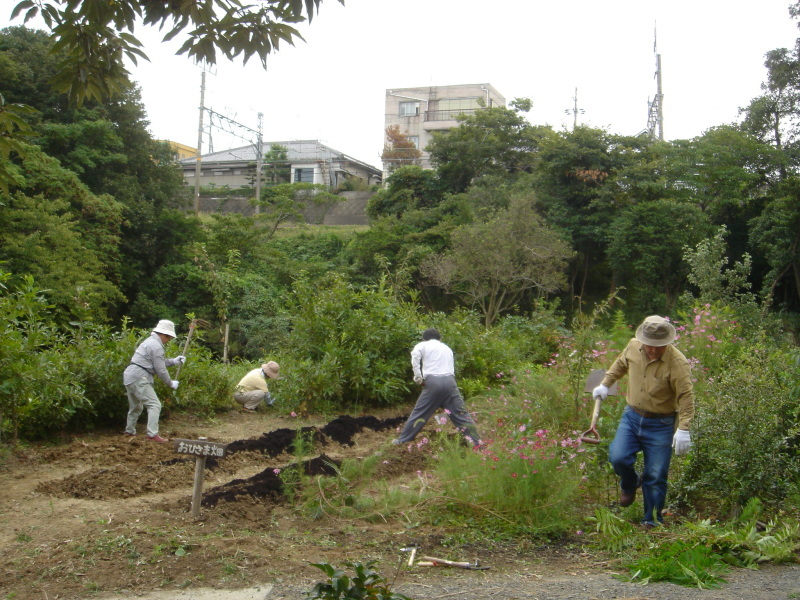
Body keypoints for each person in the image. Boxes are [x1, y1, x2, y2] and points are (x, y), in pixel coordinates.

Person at [593, 315, 695, 527]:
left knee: (656, 475)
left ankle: (651, 522)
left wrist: (684, 428)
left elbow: (685, 396)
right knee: (618, 457)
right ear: (643, 340)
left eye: (659, 347)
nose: (653, 351)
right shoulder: (632, 346)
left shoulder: (677, 363)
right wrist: (605, 384)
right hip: (632, 416)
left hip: (661, 423)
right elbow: (620, 364)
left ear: (668, 342)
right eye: (650, 346)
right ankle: (630, 484)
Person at [393, 328, 481, 447]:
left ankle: (403, 440)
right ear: (440, 338)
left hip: (433, 382)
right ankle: (477, 444)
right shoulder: (447, 348)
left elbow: (415, 357)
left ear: (424, 338)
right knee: (461, 415)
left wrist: (418, 378)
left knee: (420, 413)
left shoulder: (422, 345)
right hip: (450, 382)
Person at [123, 319, 186, 443]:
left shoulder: (149, 342)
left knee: (136, 406)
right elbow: (160, 370)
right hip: (139, 376)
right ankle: (152, 434)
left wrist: (174, 361)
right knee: (154, 404)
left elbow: (157, 362)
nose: (168, 341)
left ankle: (129, 431)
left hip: (130, 376)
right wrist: (170, 383)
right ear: (163, 334)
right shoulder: (156, 346)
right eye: (168, 338)